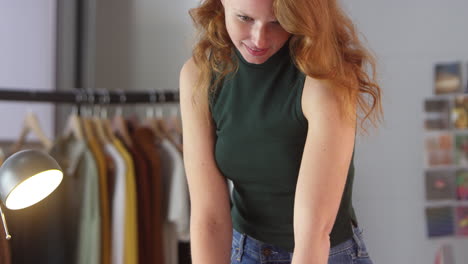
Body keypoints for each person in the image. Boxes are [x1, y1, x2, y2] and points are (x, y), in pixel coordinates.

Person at [179, 0, 383, 263]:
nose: (259, 38)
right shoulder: (200, 75)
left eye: (277, 22)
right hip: (244, 251)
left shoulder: (325, 80)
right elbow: (210, 220)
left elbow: (313, 234)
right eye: (244, 18)